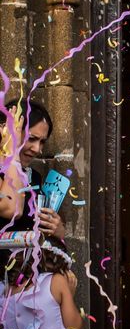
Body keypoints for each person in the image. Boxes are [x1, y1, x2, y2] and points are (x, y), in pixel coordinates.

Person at [0, 99, 65, 238]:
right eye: (31, 138)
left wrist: (57, 230)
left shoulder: (33, 176)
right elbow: (13, 209)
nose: (37, 149)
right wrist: (12, 152)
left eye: (42, 142)